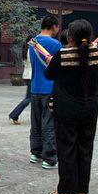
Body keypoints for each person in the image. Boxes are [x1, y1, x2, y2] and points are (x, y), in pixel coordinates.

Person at [44, 19, 98, 194]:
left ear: (70, 36)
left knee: (66, 149)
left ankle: (64, 192)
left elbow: (49, 75)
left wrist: (50, 61)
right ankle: (82, 191)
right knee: (85, 148)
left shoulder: (62, 54)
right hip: (89, 107)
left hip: (66, 108)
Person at [29, 15, 59, 169]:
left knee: (36, 122)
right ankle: (49, 157)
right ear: (53, 26)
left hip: (35, 87)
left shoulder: (32, 43)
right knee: (48, 123)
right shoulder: (55, 44)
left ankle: (36, 153)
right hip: (50, 88)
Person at [8, 40, 32, 124]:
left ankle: (14, 115)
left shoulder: (25, 50)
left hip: (27, 75)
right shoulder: (31, 51)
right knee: (29, 98)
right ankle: (14, 114)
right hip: (31, 76)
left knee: (30, 98)